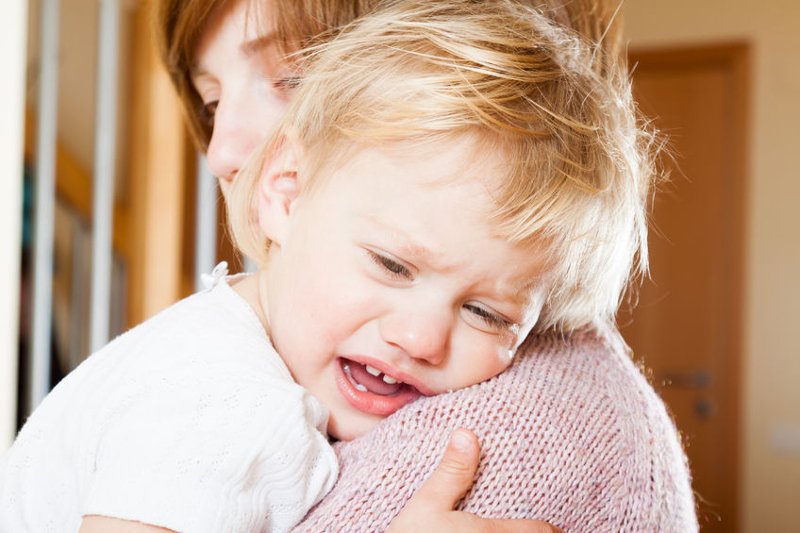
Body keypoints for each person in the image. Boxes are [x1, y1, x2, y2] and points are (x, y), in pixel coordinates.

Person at [157, 0, 697, 531]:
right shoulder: (205, 385)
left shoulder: (521, 436)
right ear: (288, 191)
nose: (220, 152)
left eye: (290, 79)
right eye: (211, 102)